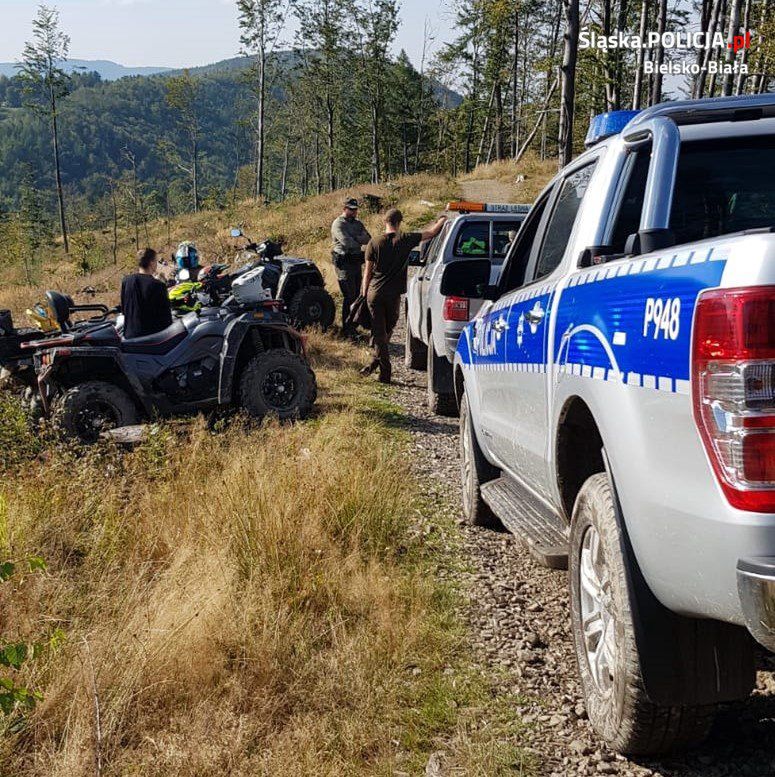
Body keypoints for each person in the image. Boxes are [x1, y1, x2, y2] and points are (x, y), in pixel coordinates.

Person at [360, 209, 447, 384]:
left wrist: (363, 293)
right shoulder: (405, 239)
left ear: (385, 221)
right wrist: (442, 219)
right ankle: (385, 373)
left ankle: (375, 363)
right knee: (387, 330)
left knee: (380, 333)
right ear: (400, 223)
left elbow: (367, 273)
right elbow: (431, 233)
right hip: (393, 295)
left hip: (374, 293)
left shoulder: (374, 242)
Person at [331, 197, 371, 337]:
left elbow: (368, 238)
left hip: (355, 262)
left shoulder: (358, 223)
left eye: (355, 209)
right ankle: (346, 328)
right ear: (344, 209)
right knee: (349, 295)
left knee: (357, 295)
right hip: (344, 262)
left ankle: (353, 326)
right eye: (351, 209)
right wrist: (358, 239)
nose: (354, 212)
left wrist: (357, 239)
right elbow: (347, 242)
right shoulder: (338, 223)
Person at [121, 248, 174, 340]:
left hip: (129, 336)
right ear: (151, 263)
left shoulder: (126, 281)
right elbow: (166, 319)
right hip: (152, 339)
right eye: (156, 261)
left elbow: (124, 310)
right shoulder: (158, 285)